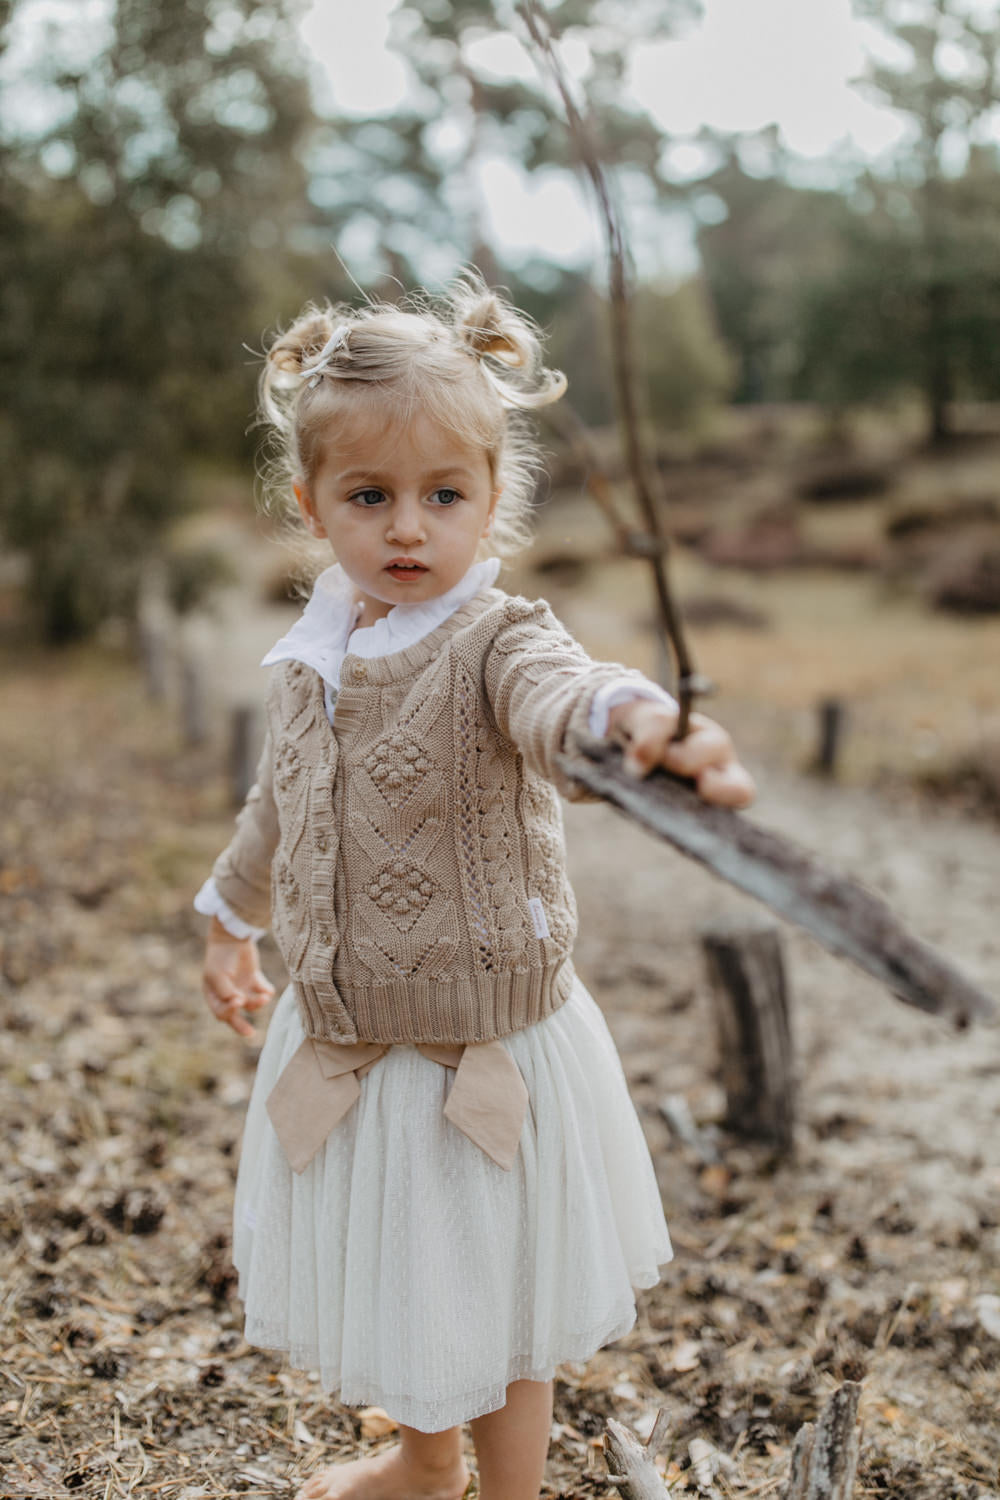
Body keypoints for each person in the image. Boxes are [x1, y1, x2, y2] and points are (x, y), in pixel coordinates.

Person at [196, 275, 755, 1500]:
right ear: (311, 507)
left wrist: (637, 724)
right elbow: (281, 807)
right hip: (349, 1037)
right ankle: (420, 1459)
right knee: (406, 1272)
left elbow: (567, 697)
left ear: (493, 504)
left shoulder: (496, 642)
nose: (409, 528)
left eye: (443, 496)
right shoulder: (314, 657)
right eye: (370, 497)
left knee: (494, 1284)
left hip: (478, 1045)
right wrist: (232, 917)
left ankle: (505, 1490)